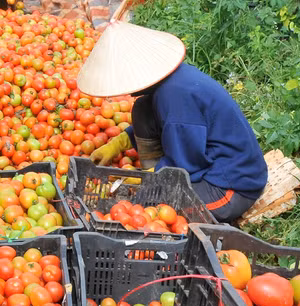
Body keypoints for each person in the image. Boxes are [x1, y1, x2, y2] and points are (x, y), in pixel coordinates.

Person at [77, 20, 268, 223]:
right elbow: (168, 127)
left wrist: (147, 180)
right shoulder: (171, 82)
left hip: (229, 186)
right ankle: (155, 176)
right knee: (143, 109)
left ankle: (156, 181)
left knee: (149, 201)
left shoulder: (176, 98)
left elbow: (187, 164)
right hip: (214, 164)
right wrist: (118, 144)